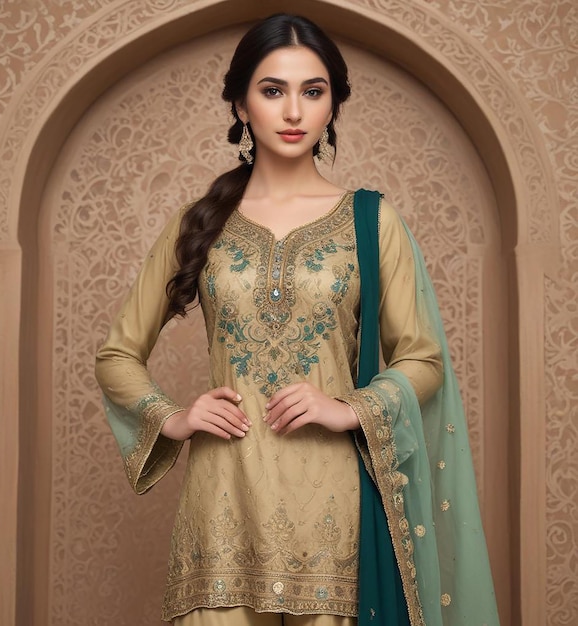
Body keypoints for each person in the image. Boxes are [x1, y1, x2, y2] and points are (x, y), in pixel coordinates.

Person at [95, 13, 500, 626]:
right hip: (221, 509)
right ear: (240, 102)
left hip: (335, 513)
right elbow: (117, 355)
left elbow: (422, 359)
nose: (293, 112)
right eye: (272, 90)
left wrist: (352, 407)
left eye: (312, 92)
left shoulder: (371, 221)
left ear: (332, 105)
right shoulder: (197, 223)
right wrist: (173, 417)